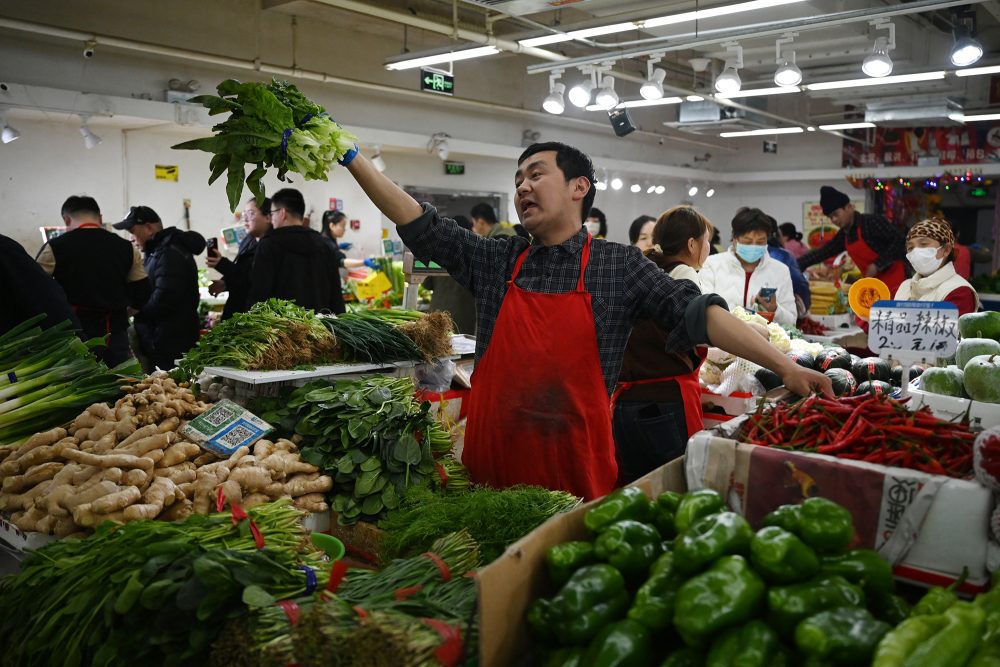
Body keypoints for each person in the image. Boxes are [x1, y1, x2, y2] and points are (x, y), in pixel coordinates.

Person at [338, 138, 831, 499]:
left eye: (535, 174)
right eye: (517, 181)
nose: (522, 187)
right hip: (490, 466)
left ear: (579, 187)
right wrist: (351, 156)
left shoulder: (618, 265)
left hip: (573, 473)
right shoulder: (497, 260)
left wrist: (786, 367)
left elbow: (702, 315)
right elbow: (418, 221)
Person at [613, 206, 713, 482]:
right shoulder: (684, 275)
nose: (709, 248)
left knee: (635, 486)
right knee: (676, 484)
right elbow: (699, 331)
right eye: (707, 241)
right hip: (664, 401)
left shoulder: (645, 267)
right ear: (692, 244)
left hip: (626, 401)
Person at [35, 196, 150, 365]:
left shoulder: (55, 247)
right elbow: (142, 293)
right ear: (100, 218)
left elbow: (37, 289)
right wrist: (124, 313)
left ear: (67, 219)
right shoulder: (126, 247)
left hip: (73, 334)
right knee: (119, 383)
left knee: (78, 385)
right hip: (115, 333)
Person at [114, 206, 205, 372]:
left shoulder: (169, 253)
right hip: (160, 337)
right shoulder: (157, 251)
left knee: (172, 392)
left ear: (149, 228)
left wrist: (135, 310)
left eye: (132, 231)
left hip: (171, 341)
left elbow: (164, 299)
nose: (131, 238)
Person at [247, 188, 345, 314]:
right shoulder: (324, 244)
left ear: (282, 213)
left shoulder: (268, 244)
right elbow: (336, 294)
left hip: (282, 328)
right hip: (321, 328)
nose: (271, 219)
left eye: (272, 214)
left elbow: (259, 294)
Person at [798, 186, 907, 294]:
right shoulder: (844, 235)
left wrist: (877, 265)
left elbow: (900, 241)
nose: (834, 220)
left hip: (898, 284)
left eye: (836, 214)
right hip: (874, 288)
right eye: (830, 217)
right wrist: (796, 264)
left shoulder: (872, 222)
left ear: (849, 207)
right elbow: (823, 252)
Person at [701, 207, 797, 327]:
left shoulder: (780, 271)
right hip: (720, 343)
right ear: (735, 239)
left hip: (764, 343)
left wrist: (775, 310)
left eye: (760, 241)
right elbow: (703, 311)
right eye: (747, 241)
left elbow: (791, 321)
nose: (754, 246)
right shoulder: (712, 265)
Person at [1, 233, 80, 336]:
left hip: (75, 315)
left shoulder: (56, 245)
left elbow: (42, 284)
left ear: (66, 219)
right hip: (93, 324)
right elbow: (45, 293)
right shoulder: (5, 248)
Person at [895, 218, 979, 314]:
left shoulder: (959, 291)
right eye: (910, 248)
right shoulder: (904, 287)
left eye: (923, 244)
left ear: (946, 250)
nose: (915, 252)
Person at [207, 197, 271, 320]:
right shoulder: (249, 239)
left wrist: (223, 265)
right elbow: (242, 272)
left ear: (268, 217)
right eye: (244, 214)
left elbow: (254, 279)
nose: (245, 218)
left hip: (254, 316)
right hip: (237, 309)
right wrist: (225, 283)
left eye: (251, 213)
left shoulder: (271, 246)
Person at [424, 215, 477, 334]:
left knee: (438, 347)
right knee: (462, 348)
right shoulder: (475, 255)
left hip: (438, 314)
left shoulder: (438, 253)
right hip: (464, 316)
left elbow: (427, 284)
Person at [766, 217, 811, 315]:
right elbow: (800, 287)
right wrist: (802, 309)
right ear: (778, 234)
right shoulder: (783, 255)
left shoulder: (734, 257)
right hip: (779, 315)